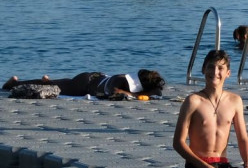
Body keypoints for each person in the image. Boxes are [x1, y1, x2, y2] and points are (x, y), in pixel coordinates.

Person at [5, 69, 165, 98]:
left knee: (54, 84)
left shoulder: (127, 79)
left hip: (92, 77)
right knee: (49, 87)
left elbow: (158, 92)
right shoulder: (120, 81)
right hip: (84, 84)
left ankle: (49, 80)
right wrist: (135, 95)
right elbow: (114, 92)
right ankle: (11, 85)